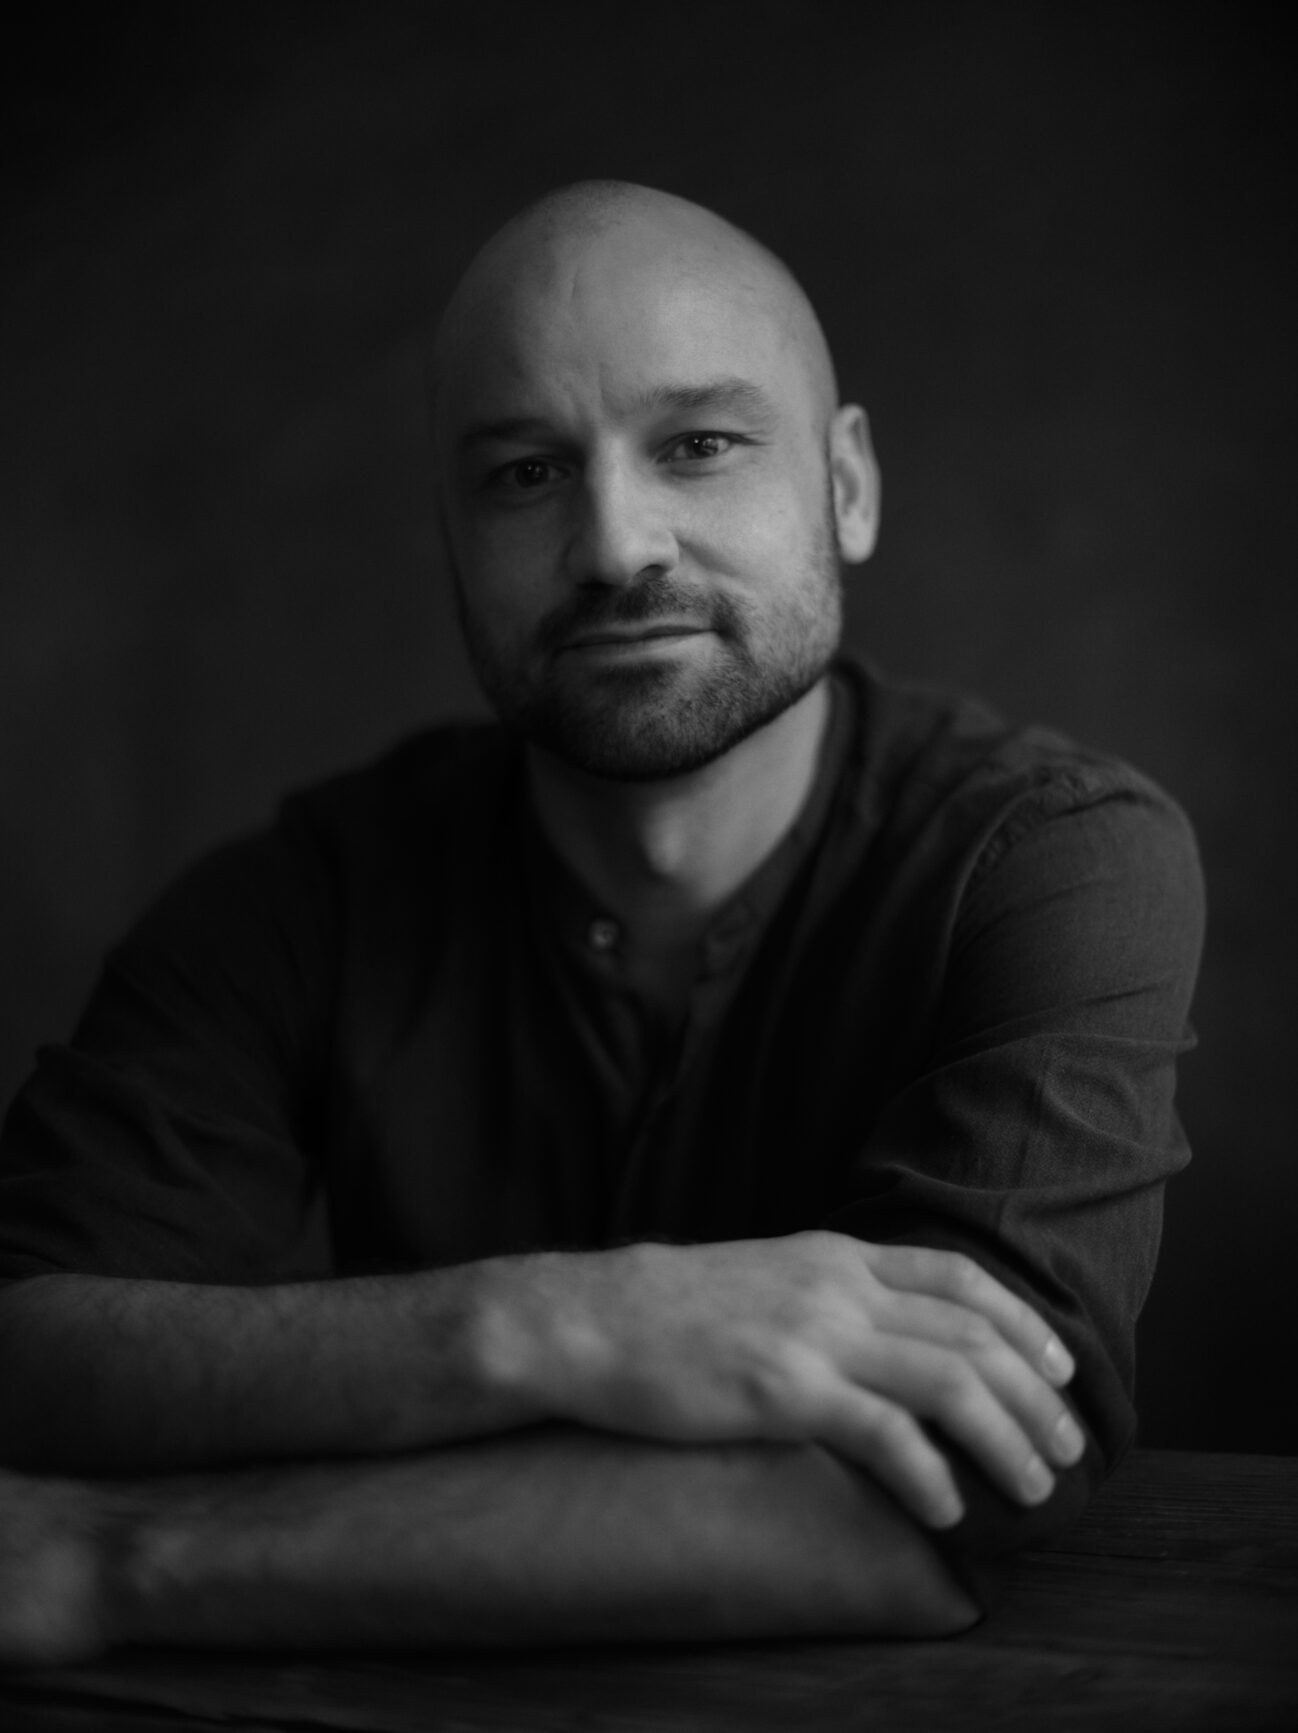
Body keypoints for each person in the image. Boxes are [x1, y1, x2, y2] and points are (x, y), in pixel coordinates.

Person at [0, 181, 1203, 1664]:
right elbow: (27, 1346)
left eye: (698, 445)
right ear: (452, 534)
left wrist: (111, 1566)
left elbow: (929, 1496)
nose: (616, 545)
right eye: (525, 474)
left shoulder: (1055, 860)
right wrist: (556, 1324)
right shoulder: (301, 898)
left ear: (848, 485)